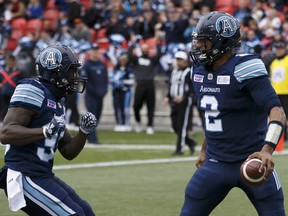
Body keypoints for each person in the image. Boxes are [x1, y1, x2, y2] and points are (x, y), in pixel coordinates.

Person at [180, 11, 286, 216]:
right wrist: (204, 149)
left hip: (252, 160)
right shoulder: (198, 70)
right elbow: (213, 114)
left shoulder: (245, 67)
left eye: (205, 42)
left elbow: (277, 111)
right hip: (215, 163)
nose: (199, 47)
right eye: (198, 42)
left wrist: (267, 150)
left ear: (223, 43)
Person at [0, 44, 98, 215]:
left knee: (85, 211)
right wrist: (43, 131)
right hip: (23, 175)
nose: (75, 77)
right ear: (55, 72)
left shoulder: (57, 100)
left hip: (41, 174)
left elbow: (68, 151)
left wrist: (83, 132)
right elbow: (6, 133)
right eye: (71, 71)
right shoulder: (32, 89)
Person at [163, 50, 197, 155]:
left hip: (184, 102)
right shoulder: (174, 71)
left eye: (180, 60)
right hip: (174, 101)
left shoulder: (189, 72)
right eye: (177, 59)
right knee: (175, 126)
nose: (178, 62)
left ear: (185, 61)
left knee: (182, 126)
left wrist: (183, 96)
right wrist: (167, 96)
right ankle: (190, 142)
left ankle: (179, 149)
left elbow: (193, 88)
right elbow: (172, 86)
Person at [128, 35, 162, 134]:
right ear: (141, 50)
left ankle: (150, 125)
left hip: (150, 84)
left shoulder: (152, 60)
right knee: (136, 106)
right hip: (140, 84)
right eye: (143, 49)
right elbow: (130, 55)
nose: (145, 50)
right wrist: (133, 43)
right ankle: (138, 123)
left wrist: (158, 42)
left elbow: (159, 54)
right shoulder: (137, 59)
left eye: (147, 49)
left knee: (151, 107)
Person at [81, 43, 108, 144]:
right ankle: (93, 139)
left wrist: (104, 91)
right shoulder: (87, 65)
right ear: (90, 52)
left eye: (97, 50)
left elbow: (105, 79)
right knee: (93, 116)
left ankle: (87, 135)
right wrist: (96, 92)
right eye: (93, 50)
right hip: (91, 95)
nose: (95, 52)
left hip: (100, 95)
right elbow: (86, 82)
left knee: (98, 116)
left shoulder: (102, 64)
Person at [269, 40, 288, 141]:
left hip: (286, 92)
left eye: (280, 49)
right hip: (276, 93)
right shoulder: (274, 62)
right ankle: (282, 137)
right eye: (277, 49)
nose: (279, 51)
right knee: (279, 116)